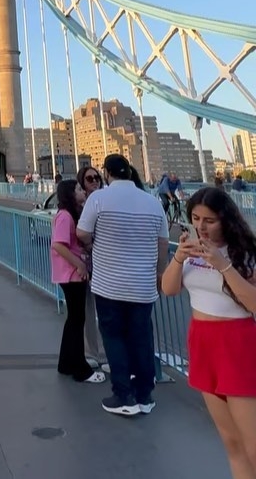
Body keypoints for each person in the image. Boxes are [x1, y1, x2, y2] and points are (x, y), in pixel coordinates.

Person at [161, 187, 256, 477]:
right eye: (195, 218)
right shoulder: (192, 251)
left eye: (209, 220)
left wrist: (224, 265)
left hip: (237, 344)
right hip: (203, 343)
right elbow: (168, 288)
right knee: (231, 442)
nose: (201, 226)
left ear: (226, 219)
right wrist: (179, 258)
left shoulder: (246, 253)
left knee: (253, 445)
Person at [77, 154, 169, 416]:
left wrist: (93, 245)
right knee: (141, 338)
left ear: (106, 173)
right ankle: (144, 395)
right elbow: (163, 242)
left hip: (110, 285)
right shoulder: (152, 202)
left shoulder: (98, 199)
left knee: (114, 337)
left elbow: (82, 232)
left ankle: (123, 396)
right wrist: (159, 273)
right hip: (142, 285)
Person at [50, 180, 105, 384]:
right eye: (79, 189)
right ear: (70, 194)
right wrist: (79, 265)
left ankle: (66, 363)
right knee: (77, 320)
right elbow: (58, 245)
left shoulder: (69, 215)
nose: (83, 191)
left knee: (73, 319)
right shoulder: (65, 216)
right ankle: (80, 368)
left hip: (70, 273)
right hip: (71, 274)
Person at [76, 166, 107, 371]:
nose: (95, 181)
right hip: (88, 265)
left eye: (97, 178)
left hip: (106, 265)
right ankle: (91, 354)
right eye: (90, 179)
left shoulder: (107, 201)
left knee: (107, 311)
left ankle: (108, 353)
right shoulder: (77, 207)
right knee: (87, 310)